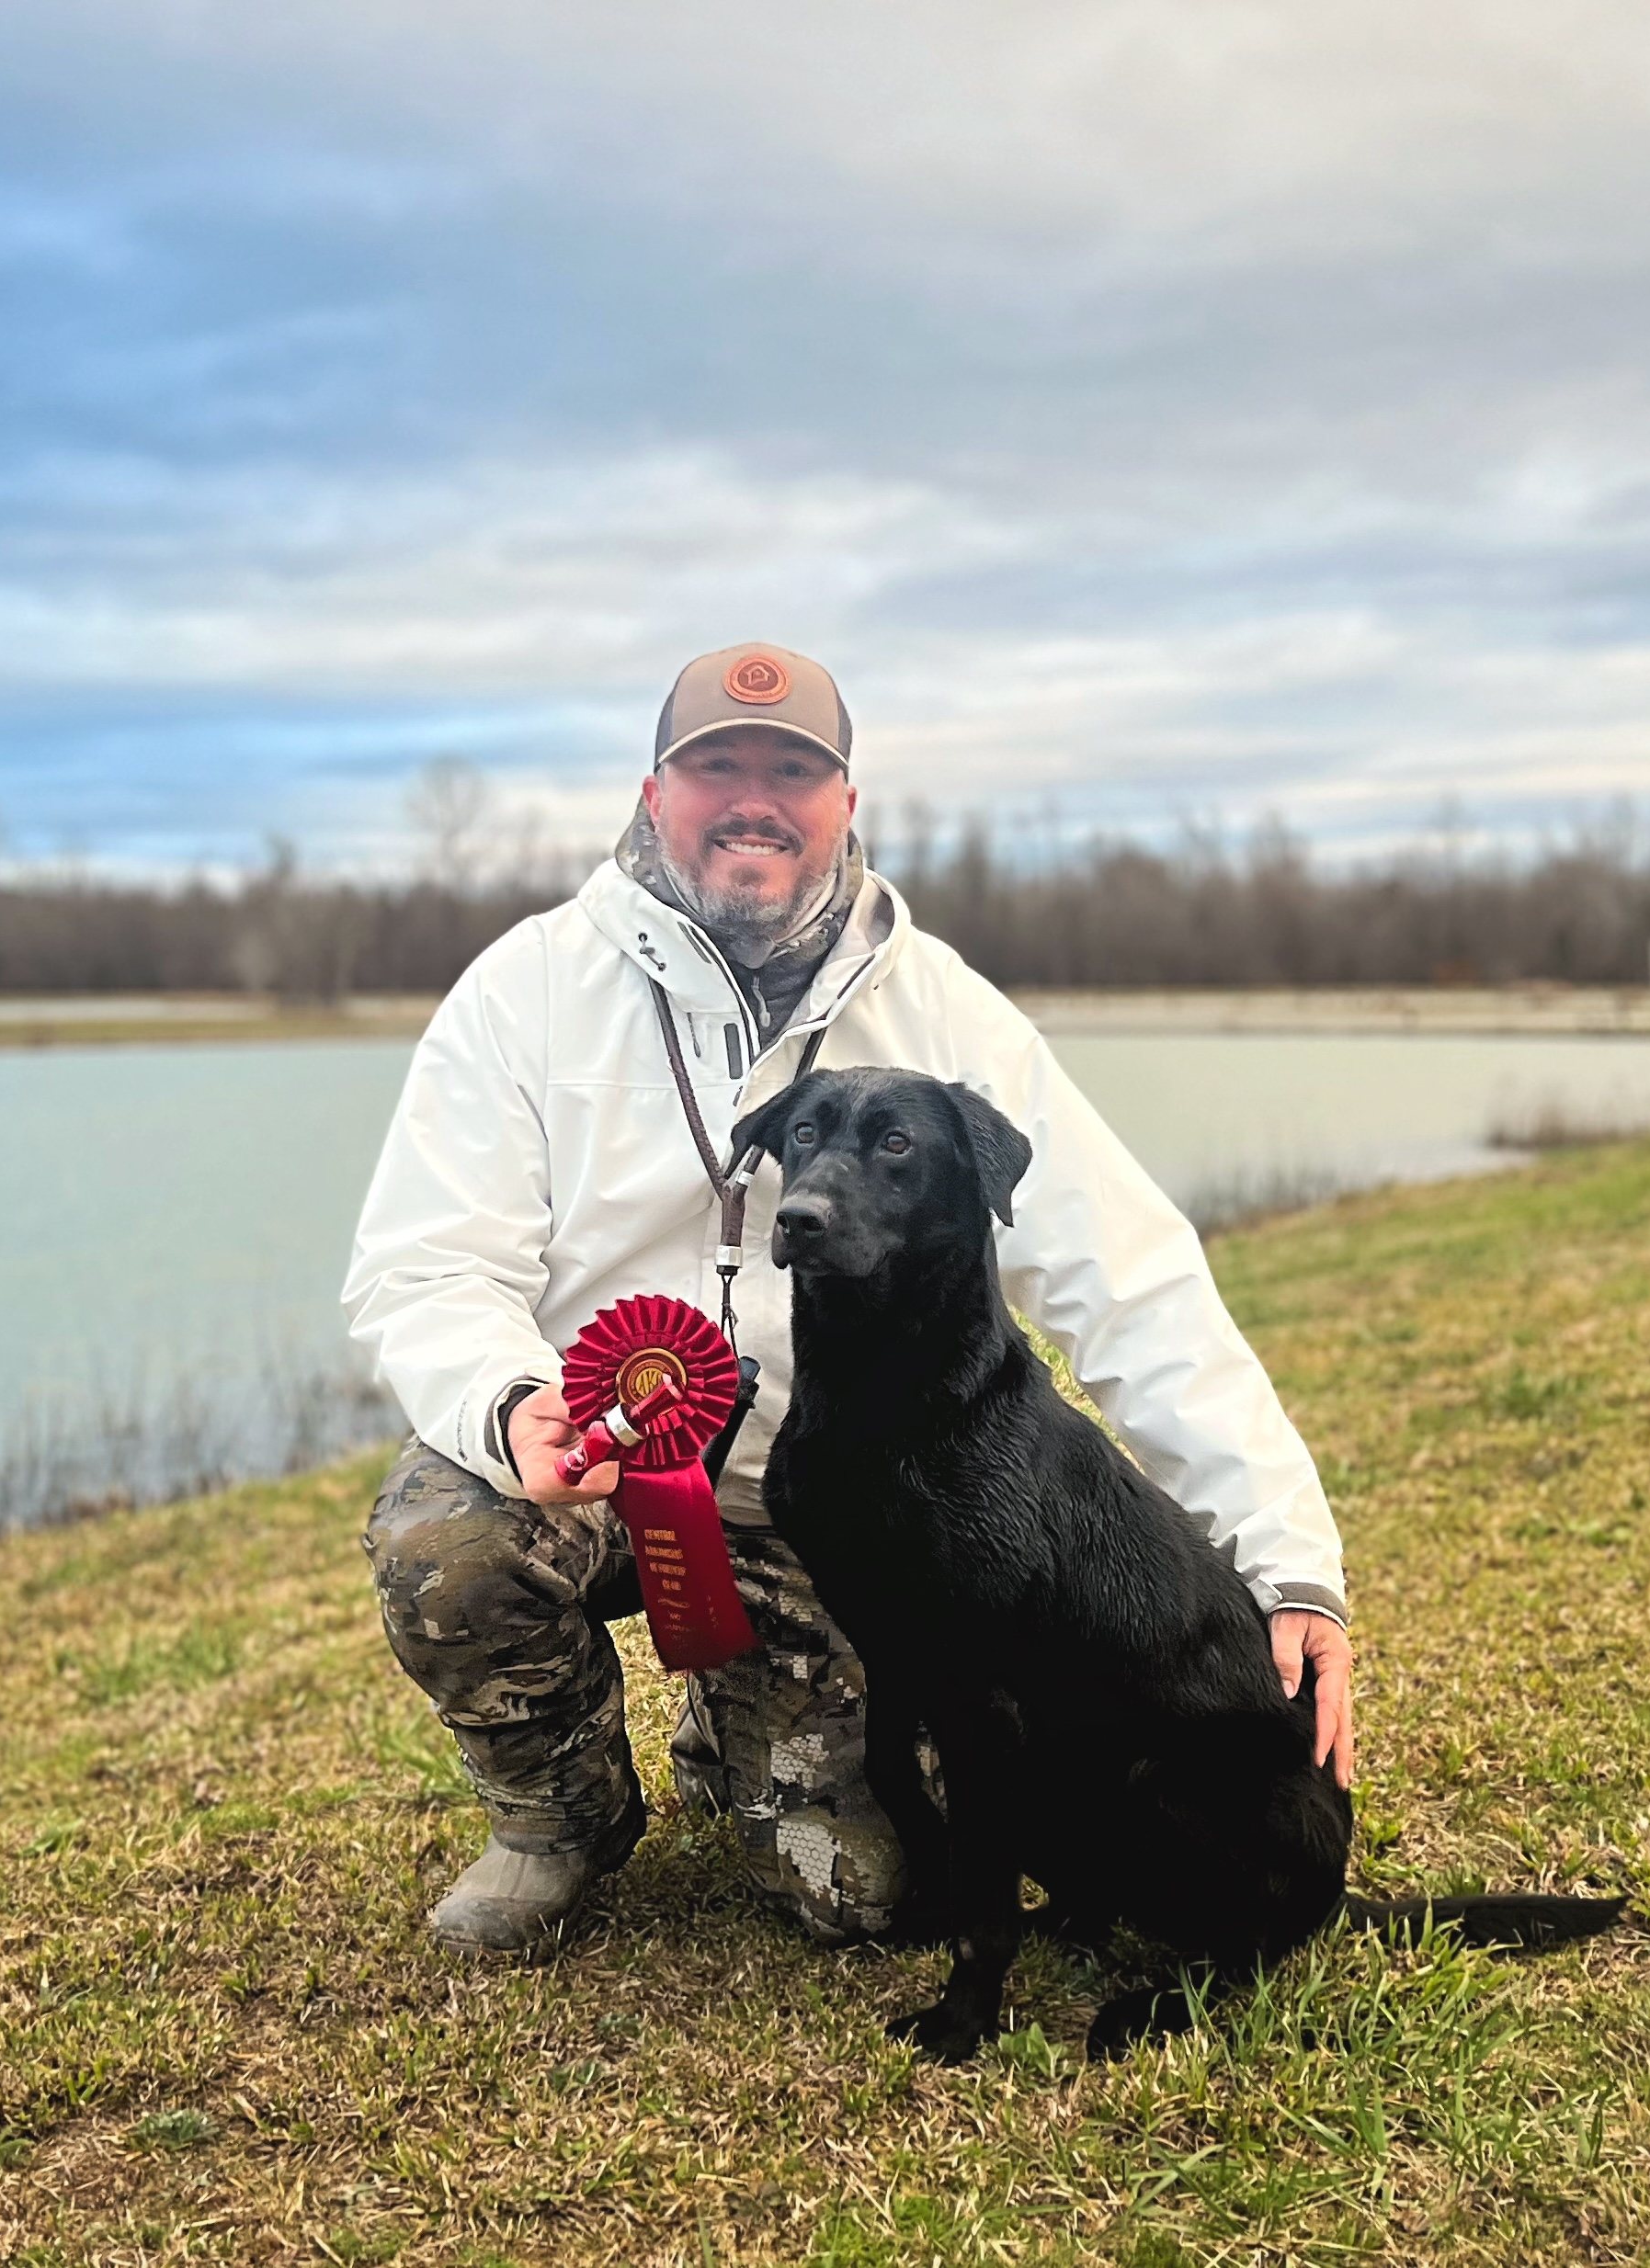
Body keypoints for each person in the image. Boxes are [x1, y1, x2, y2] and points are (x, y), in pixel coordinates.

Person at [342, 642, 1352, 1955]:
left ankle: (744, 1727)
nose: (752, 798)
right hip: (586, 1470)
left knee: (874, 1895)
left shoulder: (942, 1011)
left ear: (844, 803)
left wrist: (1290, 1567)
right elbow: (424, 1263)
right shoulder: (526, 989)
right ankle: (559, 1820)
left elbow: (1132, 1280)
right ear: (656, 793)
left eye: (791, 769)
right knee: (447, 1544)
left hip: (844, 1517)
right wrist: (509, 1401)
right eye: (716, 765)